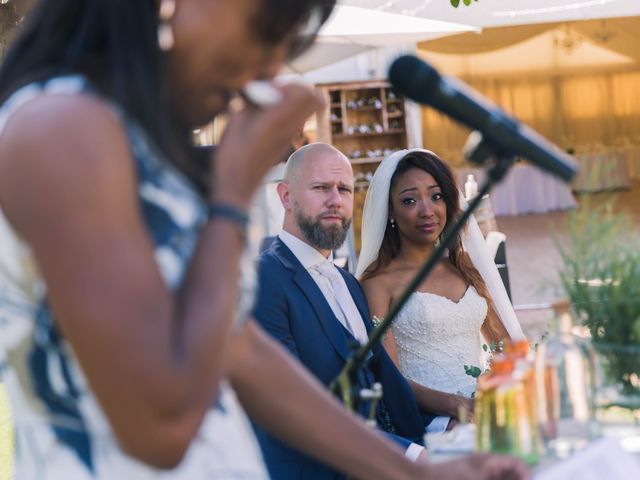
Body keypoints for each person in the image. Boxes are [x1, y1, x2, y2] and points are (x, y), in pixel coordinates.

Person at [0, 1, 528, 478]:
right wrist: (233, 183)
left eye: (288, 46)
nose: (271, 68)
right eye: (266, 30)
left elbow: (242, 352)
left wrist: (417, 472)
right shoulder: (60, 127)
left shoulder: (136, 143)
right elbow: (159, 428)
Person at [253, 143, 526, 479]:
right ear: (285, 196)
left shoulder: (347, 285)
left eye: (344, 189)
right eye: (320, 188)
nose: (334, 200)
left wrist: (447, 424)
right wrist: (415, 457)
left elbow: (384, 390)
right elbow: (292, 405)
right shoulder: (262, 278)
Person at [356, 149, 526, 429]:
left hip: (483, 409)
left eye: (436, 196)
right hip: (428, 420)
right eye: (409, 200)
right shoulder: (378, 284)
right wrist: (454, 406)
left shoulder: (464, 266)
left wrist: (503, 386)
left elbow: (503, 344)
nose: (427, 210)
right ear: (390, 211)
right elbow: (389, 379)